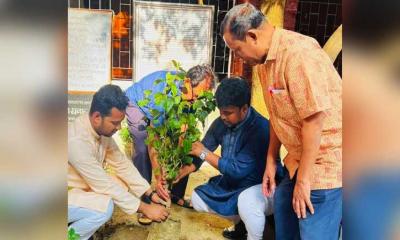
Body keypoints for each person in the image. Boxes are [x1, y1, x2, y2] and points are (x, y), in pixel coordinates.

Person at [221, 3, 342, 240]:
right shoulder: (264, 63)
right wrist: (270, 161)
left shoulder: (299, 54)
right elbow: (278, 115)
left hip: (326, 163)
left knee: (309, 220)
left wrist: (304, 181)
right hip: (299, 159)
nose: (238, 58)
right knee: (284, 207)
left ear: (252, 36)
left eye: (236, 49)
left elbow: (314, 120)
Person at [68, 85, 169, 240]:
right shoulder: (76, 141)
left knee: (121, 184)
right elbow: (103, 183)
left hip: (77, 189)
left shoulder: (101, 131)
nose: (119, 127)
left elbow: (122, 164)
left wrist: (149, 193)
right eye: (115, 122)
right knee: (104, 208)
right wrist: (144, 208)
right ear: (97, 117)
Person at [185, 77, 280, 240]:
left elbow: (235, 170)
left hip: (262, 187)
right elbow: (204, 146)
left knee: (247, 202)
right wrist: (186, 170)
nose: (222, 116)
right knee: (197, 198)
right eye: (220, 111)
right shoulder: (222, 122)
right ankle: (241, 224)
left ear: (244, 109)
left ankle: (256, 235)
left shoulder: (260, 129)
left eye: (227, 112)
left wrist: (204, 153)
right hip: (235, 185)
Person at [124, 64, 216, 207]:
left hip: (157, 108)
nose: (195, 101)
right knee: (142, 146)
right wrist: (158, 175)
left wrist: (178, 156)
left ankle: (175, 194)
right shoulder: (166, 93)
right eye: (195, 96)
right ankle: (144, 196)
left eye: (199, 98)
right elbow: (153, 137)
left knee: (188, 145)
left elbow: (183, 130)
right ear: (186, 82)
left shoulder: (191, 97)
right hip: (138, 103)